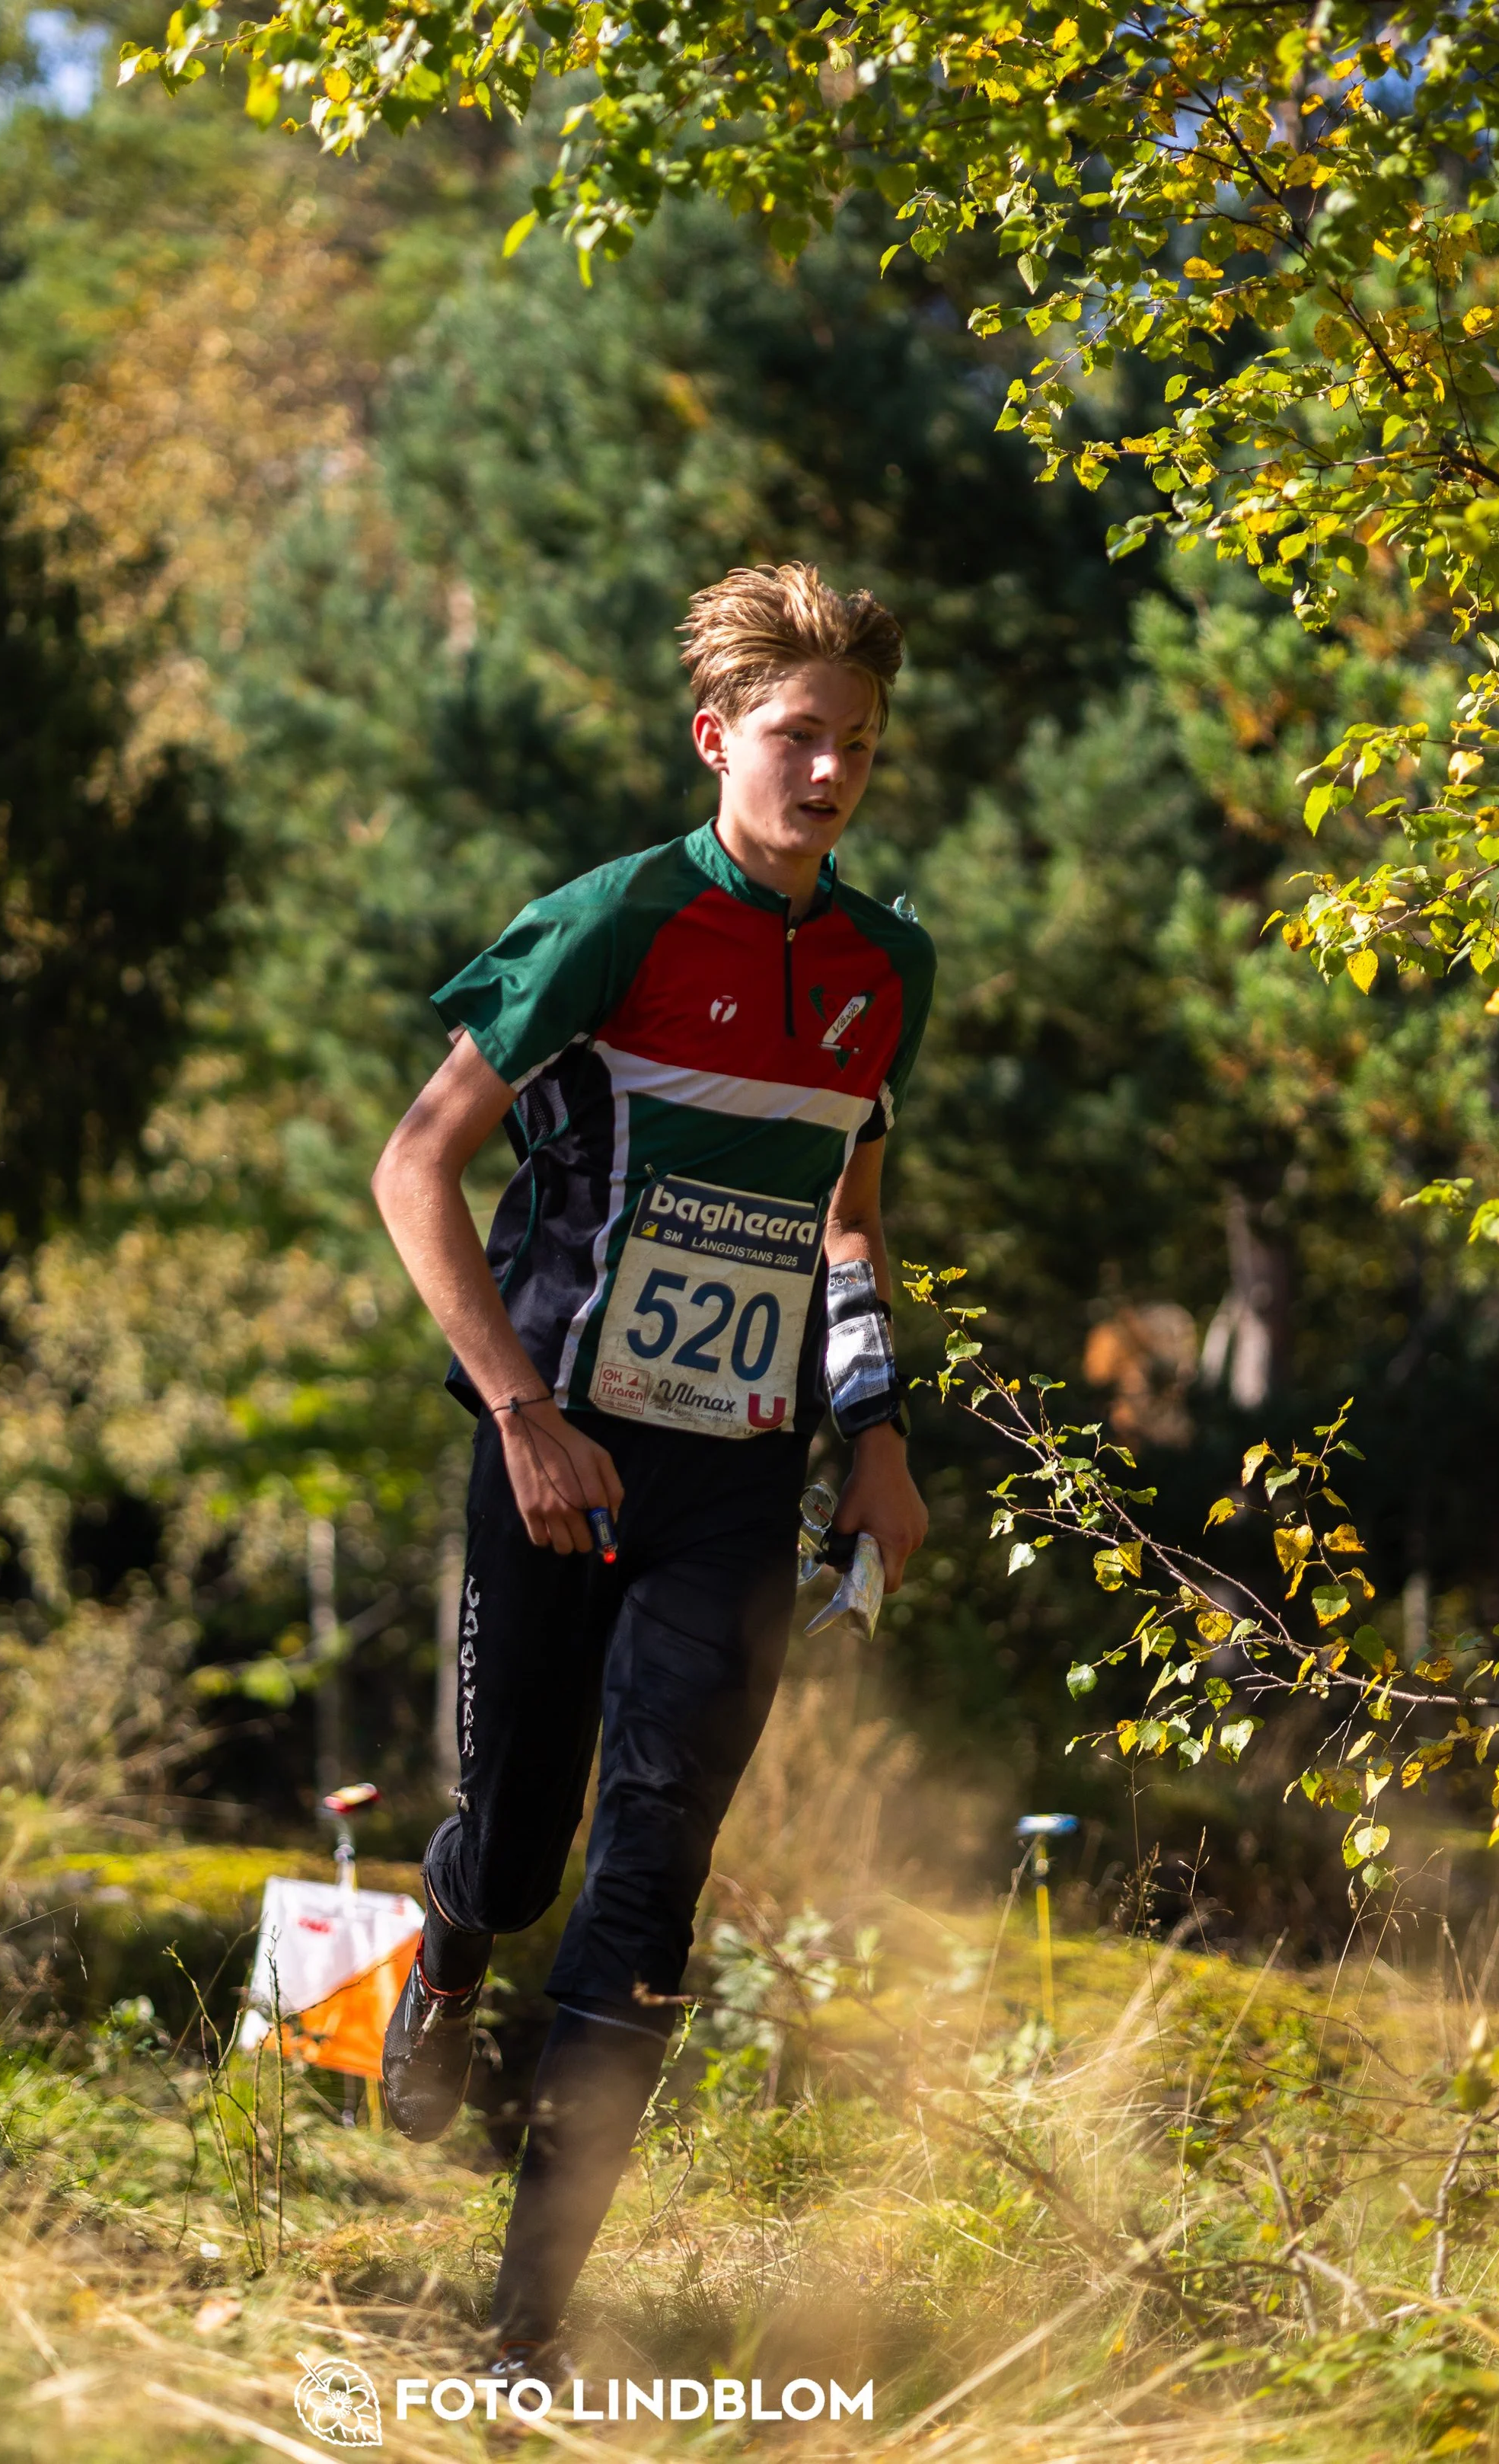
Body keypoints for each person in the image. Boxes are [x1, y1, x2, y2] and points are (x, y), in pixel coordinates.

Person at [369, 561, 936, 2373]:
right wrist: (523, 1412)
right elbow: (413, 1168)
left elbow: (846, 1234)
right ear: (716, 738)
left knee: (647, 1881)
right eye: (794, 737)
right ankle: (446, 1955)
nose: (827, 772)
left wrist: (881, 1444)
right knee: (524, 1848)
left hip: (732, 1492)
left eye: (854, 742)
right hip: (561, 1458)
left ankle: (521, 2326)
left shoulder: (878, 971)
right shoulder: (612, 922)